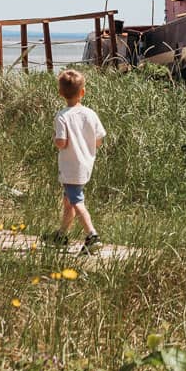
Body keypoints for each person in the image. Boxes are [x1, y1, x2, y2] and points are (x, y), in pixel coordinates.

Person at [53, 68, 106, 254]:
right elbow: (99, 140)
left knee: (76, 201)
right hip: (85, 164)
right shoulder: (90, 114)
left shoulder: (62, 116)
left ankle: (92, 235)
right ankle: (61, 235)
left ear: (60, 93)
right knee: (68, 200)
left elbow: (61, 142)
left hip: (70, 166)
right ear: (82, 92)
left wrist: (55, 140)